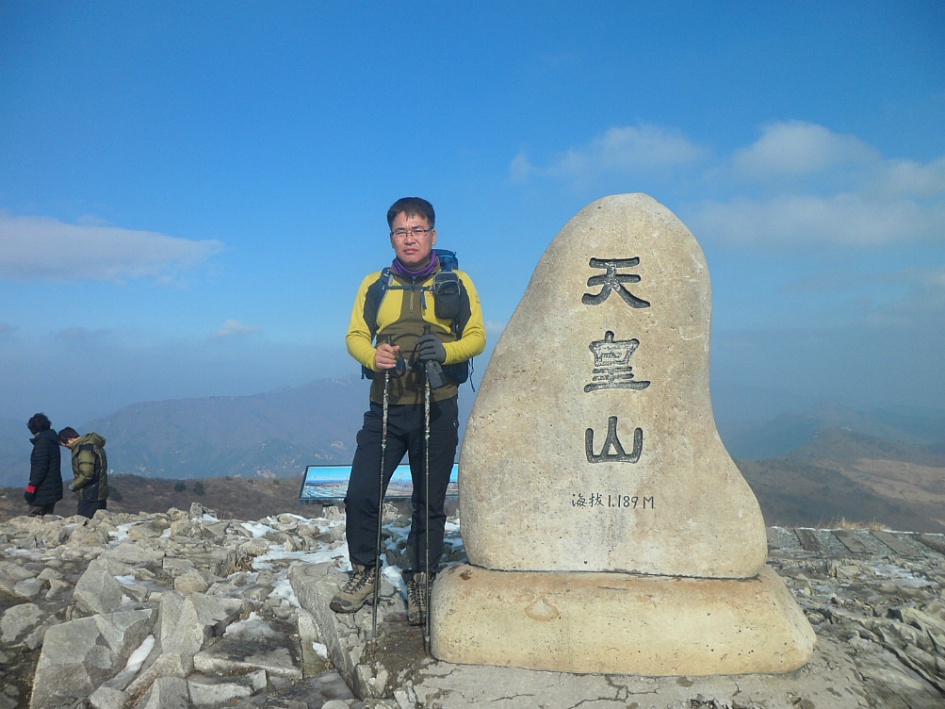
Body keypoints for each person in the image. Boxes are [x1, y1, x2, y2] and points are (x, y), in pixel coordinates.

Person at [331, 197, 485, 626]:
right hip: (385, 405)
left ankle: (420, 576)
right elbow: (355, 335)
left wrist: (447, 351)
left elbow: (476, 335)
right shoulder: (375, 285)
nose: (409, 238)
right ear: (392, 238)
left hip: (438, 406)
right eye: (401, 231)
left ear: (433, 235)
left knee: (428, 500)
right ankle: (365, 571)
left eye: (417, 230)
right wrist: (372, 356)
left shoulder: (457, 282)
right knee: (361, 494)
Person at [58, 426, 109, 518]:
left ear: (70, 439)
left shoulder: (85, 450)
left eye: (65, 444)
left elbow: (87, 474)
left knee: (85, 520)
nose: (67, 447)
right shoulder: (93, 445)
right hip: (99, 491)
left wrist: (74, 485)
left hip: (90, 494)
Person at [24, 413, 63, 516]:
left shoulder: (42, 443)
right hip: (53, 489)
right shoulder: (52, 441)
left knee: (33, 518)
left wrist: (31, 487)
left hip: (42, 491)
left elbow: (40, 468)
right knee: (47, 518)